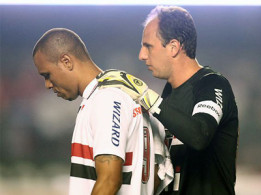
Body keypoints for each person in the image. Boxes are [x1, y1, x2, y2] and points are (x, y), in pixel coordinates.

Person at [99, 5, 239, 195]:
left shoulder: (212, 84)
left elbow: (199, 135)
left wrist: (145, 96)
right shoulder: (168, 95)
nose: (141, 55)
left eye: (148, 46)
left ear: (173, 47)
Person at [32, 28, 173, 195]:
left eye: (47, 75)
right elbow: (158, 173)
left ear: (66, 61)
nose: (48, 84)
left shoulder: (105, 99)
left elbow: (109, 181)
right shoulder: (123, 96)